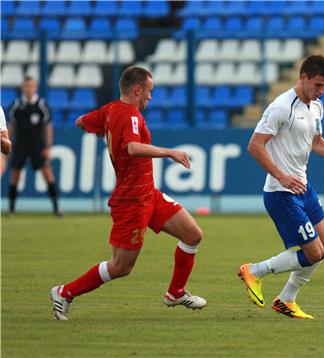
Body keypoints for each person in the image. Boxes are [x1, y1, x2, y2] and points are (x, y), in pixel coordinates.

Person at [49, 66, 206, 321]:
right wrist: (170, 152)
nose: (150, 97)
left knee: (193, 235)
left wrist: (108, 130)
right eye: (149, 91)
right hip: (131, 200)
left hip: (148, 194)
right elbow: (132, 147)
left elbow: (80, 122)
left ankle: (176, 293)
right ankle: (64, 292)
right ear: (137, 89)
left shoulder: (110, 110)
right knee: (121, 267)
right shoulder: (130, 115)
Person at [238, 55, 324, 319]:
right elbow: (255, 145)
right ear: (303, 78)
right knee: (312, 253)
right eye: (317, 85)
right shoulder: (281, 107)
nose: (321, 91)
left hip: (303, 188)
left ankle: (286, 299)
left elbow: (317, 142)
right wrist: (282, 176)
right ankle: (254, 271)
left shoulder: (317, 107)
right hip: (281, 193)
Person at [7, 76, 61, 216]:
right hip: (20, 143)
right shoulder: (16, 105)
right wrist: (6, 142)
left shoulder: (42, 105)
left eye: (30, 86)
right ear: (22, 88)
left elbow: (48, 127)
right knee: (15, 175)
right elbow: (11, 126)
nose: (28, 89)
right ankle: (11, 209)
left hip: (37, 143)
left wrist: (48, 146)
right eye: (26, 86)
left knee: (48, 174)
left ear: (35, 87)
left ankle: (56, 208)